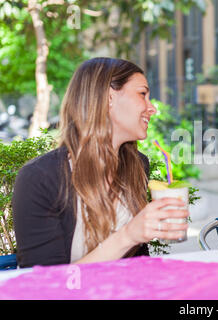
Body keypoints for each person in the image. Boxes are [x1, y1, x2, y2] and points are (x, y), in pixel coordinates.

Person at [12, 57, 189, 268]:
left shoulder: (137, 166)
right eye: (142, 94)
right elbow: (46, 285)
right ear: (108, 98)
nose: (152, 109)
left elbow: (137, 263)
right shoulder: (39, 178)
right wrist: (129, 235)